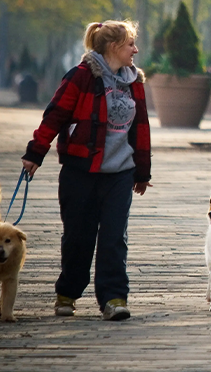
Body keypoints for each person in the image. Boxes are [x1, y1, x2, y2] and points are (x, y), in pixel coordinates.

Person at [21, 20, 152, 321]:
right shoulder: (81, 76)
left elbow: (141, 129)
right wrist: (35, 153)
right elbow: (55, 115)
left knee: (114, 238)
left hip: (119, 173)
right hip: (80, 170)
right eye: (131, 44)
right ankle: (67, 293)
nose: (136, 49)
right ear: (114, 47)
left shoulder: (135, 82)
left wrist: (142, 172)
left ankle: (114, 298)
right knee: (78, 237)